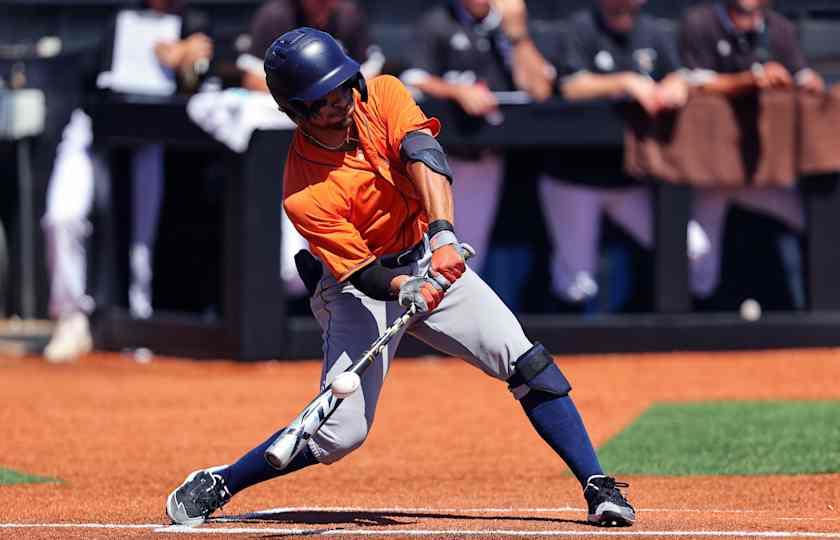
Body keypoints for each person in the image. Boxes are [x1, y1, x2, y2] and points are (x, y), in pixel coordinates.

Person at [165, 28, 635, 528]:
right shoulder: (304, 191)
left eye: (344, 86)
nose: (340, 103)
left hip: (428, 257)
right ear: (296, 112)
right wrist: (402, 289)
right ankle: (225, 480)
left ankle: (596, 484)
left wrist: (443, 237)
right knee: (339, 436)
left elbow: (423, 154)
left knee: (528, 363)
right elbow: (364, 274)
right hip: (356, 289)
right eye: (322, 101)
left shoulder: (383, 94)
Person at [41, 0, 213, 362]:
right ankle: (71, 317)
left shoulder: (193, 21)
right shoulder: (118, 14)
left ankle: (140, 319)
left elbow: (204, 82)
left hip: (150, 136)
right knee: (62, 216)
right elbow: (93, 78)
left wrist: (188, 62)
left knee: (143, 236)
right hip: (91, 126)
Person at [538, 0, 690, 312]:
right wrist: (626, 81)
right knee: (577, 283)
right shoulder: (579, 27)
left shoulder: (654, 31)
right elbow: (570, 87)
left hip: (630, 179)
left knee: (689, 248)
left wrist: (675, 86)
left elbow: (679, 75)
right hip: (574, 177)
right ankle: (568, 350)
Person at [679, 0, 825, 306]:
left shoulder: (779, 29)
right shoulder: (700, 23)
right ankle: (696, 327)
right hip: (711, 171)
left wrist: (803, 83)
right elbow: (690, 83)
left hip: (761, 169)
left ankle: (806, 312)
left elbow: (804, 78)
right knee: (697, 253)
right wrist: (749, 79)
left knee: (816, 221)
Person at [236, 0, 384, 300]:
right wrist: (309, 98)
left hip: (346, 148)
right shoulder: (276, 16)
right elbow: (251, 77)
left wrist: (333, 97)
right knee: (292, 260)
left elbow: (369, 76)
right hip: (294, 142)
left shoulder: (349, 15)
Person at [400, 0, 554, 275]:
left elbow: (540, 89)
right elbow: (413, 78)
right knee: (438, 249)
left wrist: (517, 35)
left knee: (478, 254)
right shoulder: (438, 21)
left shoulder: (510, 28)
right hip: (447, 157)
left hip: (497, 155)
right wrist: (458, 91)